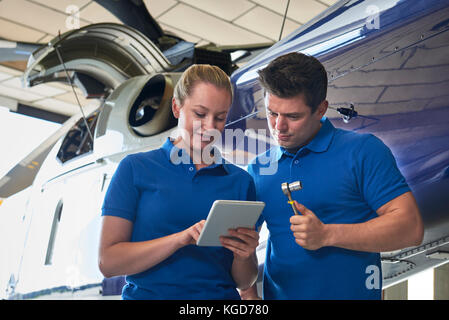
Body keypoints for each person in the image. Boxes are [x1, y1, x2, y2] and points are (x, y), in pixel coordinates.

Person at [243, 52, 424, 300]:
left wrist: (327, 235)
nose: (278, 127)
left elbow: (410, 229)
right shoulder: (257, 170)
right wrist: (248, 295)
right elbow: (239, 251)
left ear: (321, 109)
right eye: (272, 113)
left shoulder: (363, 151)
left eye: (293, 116)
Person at [98, 64, 259, 300]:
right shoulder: (135, 169)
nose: (210, 127)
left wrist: (244, 255)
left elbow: (244, 280)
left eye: (220, 117)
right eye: (200, 114)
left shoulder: (241, 182)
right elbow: (108, 262)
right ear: (176, 107)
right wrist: (180, 239)